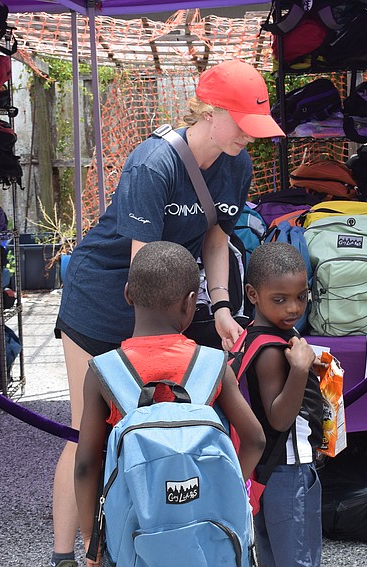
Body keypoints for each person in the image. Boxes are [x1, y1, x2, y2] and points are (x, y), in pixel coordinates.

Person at [49, 59, 283, 567]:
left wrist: (220, 305)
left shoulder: (236, 162)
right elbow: (143, 267)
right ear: (211, 112)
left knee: (163, 423)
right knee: (85, 428)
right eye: (244, 122)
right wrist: (157, 350)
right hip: (107, 294)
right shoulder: (152, 163)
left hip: (167, 297)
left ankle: (159, 534)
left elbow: (216, 235)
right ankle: (68, 553)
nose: (251, 136)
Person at [73, 241, 266, 566]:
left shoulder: (104, 371)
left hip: (135, 531)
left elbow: (85, 464)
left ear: (128, 295)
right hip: (208, 531)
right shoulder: (213, 365)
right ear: (192, 303)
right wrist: (222, 490)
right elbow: (255, 439)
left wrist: (91, 538)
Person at [241, 242, 324, 567]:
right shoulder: (274, 351)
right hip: (289, 468)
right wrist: (301, 370)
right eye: (280, 299)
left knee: (274, 556)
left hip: (265, 467)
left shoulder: (251, 336)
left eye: (301, 296)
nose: (294, 308)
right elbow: (279, 417)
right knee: (298, 558)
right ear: (253, 294)